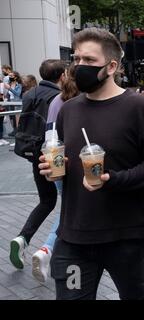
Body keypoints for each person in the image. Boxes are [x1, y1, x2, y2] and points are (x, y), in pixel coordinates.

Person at [38, 28, 144, 300]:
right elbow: (64, 160)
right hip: (75, 234)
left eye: (88, 60)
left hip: (126, 235)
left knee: (133, 294)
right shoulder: (69, 110)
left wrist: (113, 179)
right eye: (76, 59)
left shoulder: (138, 107)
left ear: (111, 66)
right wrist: (53, 173)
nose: (79, 67)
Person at [9, 60, 66, 270]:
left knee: (46, 201)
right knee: (67, 205)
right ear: (61, 76)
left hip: (34, 155)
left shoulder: (30, 94)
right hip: (53, 156)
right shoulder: (56, 97)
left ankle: (23, 238)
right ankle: (48, 251)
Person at [31, 64, 80, 283]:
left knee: (67, 210)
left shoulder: (56, 101)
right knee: (71, 213)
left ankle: (46, 251)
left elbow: (49, 137)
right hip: (83, 166)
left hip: (57, 164)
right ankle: (50, 251)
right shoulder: (84, 99)